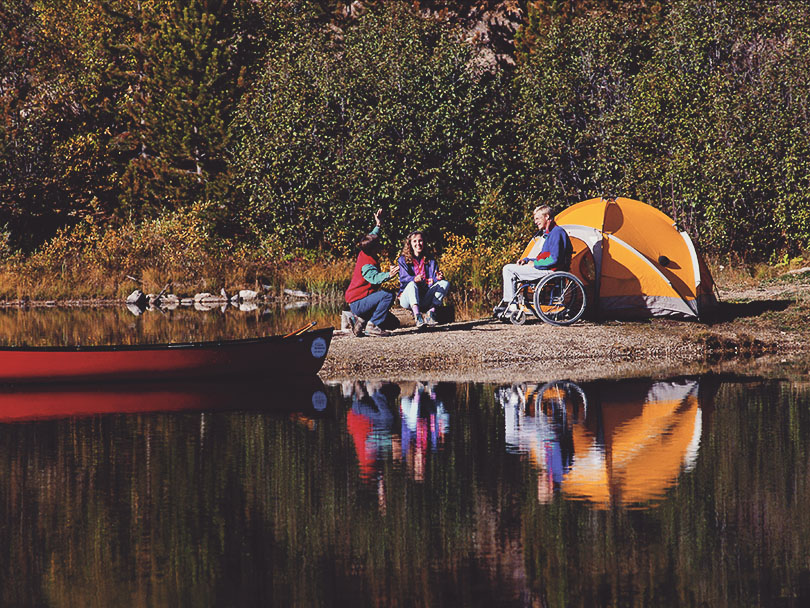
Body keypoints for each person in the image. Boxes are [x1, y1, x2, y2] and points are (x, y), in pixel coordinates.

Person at [493, 205, 573, 318]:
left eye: (537, 219)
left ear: (547, 216)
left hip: (551, 271)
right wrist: (527, 260)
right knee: (511, 269)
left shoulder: (557, 233)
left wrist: (534, 264)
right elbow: (545, 257)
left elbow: (554, 259)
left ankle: (512, 305)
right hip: (545, 268)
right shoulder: (550, 233)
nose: (535, 222)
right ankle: (512, 303)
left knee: (508, 269)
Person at [345, 208, 398, 337]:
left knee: (393, 323)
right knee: (388, 295)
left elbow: (372, 236)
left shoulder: (364, 251)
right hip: (358, 303)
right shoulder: (367, 264)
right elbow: (374, 278)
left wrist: (378, 225)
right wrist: (389, 275)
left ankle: (360, 322)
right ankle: (372, 325)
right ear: (374, 248)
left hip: (361, 300)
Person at [397, 231, 450, 329]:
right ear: (410, 244)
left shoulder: (431, 259)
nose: (418, 244)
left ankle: (431, 313)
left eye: (420, 241)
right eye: (415, 241)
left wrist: (438, 278)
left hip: (425, 297)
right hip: (407, 299)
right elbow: (403, 279)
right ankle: (418, 316)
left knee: (444, 283)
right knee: (412, 284)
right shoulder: (402, 260)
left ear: (424, 242)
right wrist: (414, 279)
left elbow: (434, 279)